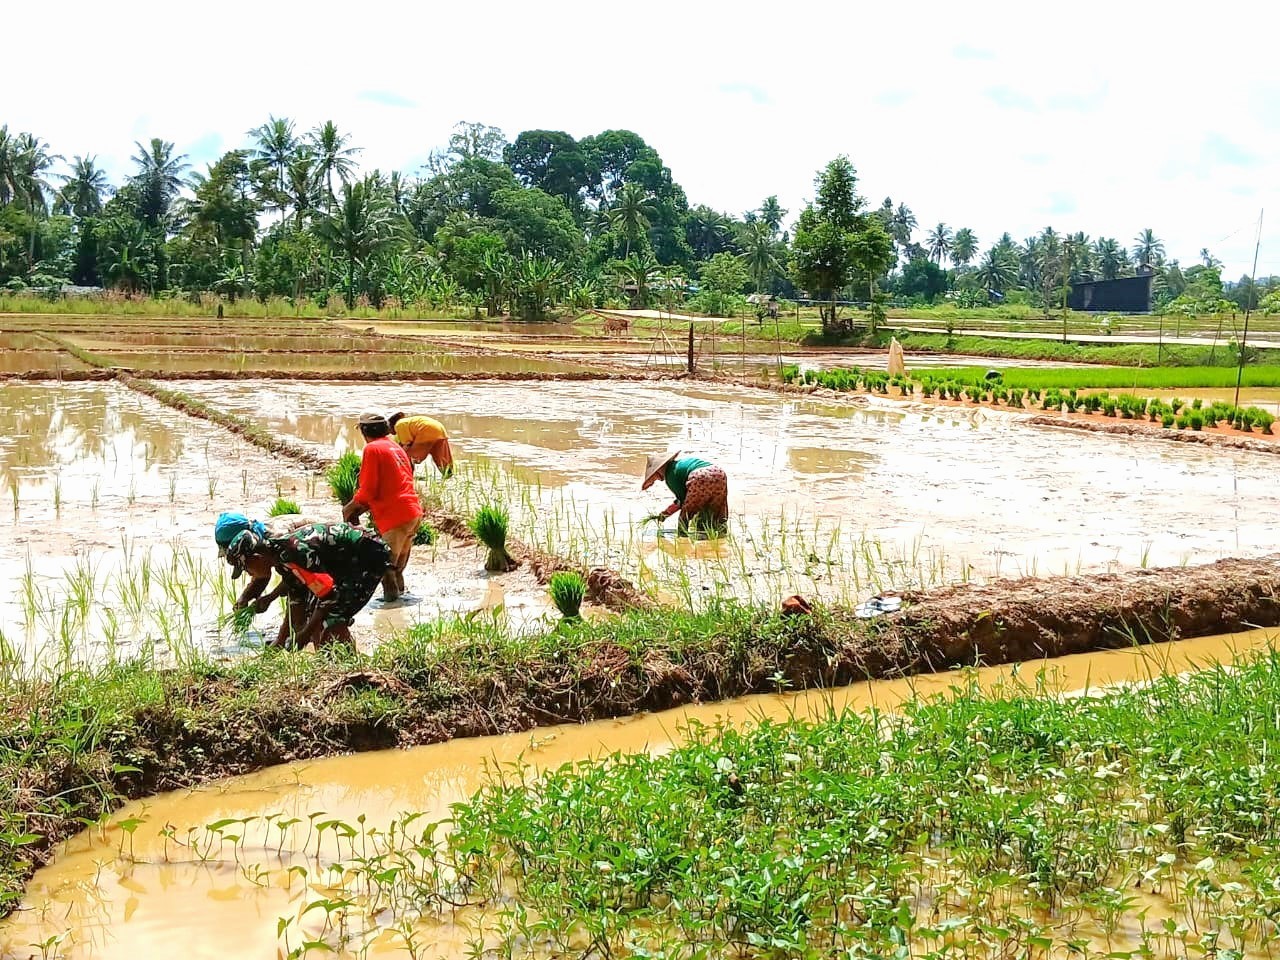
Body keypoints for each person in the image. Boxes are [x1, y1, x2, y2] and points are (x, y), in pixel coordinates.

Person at [224, 522, 391, 649]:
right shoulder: (277, 553)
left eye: (246, 567)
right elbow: (295, 584)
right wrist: (270, 598)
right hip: (346, 561)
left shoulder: (293, 553)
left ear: (256, 557)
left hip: (369, 555)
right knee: (314, 611)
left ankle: (348, 667)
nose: (248, 573)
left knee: (330, 615)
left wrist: (305, 634)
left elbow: (329, 595)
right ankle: (332, 662)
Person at [343, 412, 423, 603]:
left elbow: (368, 489)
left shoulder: (373, 449)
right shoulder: (395, 446)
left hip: (395, 515)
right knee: (397, 568)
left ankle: (389, 612)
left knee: (383, 566)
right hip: (412, 512)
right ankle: (400, 604)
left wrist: (350, 507)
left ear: (364, 431)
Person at [214, 510, 322, 647]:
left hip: (321, 556)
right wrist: (246, 597)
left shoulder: (280, 542)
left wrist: (270, 598)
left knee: (316, 614)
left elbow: (296, 582)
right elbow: (262, 573)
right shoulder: (258, 544)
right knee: (301, 621)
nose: (247, 572)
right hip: (305, 564)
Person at [640, 450, 729, 536]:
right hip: (719, 474)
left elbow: (682, 501)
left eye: (655, 474)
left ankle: (682, 539)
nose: (657, 479)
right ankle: (721, 534)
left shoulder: (670, 475)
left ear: (660, 469)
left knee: (684, 517)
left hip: (700, 476)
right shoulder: (680, 464)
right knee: (717, 509)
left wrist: (666, 514)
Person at [388, 412, 454, 478]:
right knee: (442, 457)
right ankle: (449, 476)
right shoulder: (408, 422)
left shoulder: (399, 425)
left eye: (389, 430)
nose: (389, 432)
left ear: (391, 425)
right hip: (440, 429)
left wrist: (398, 456)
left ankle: (408, 476)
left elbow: (407, 444)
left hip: (426, 430)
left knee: (410, 456)